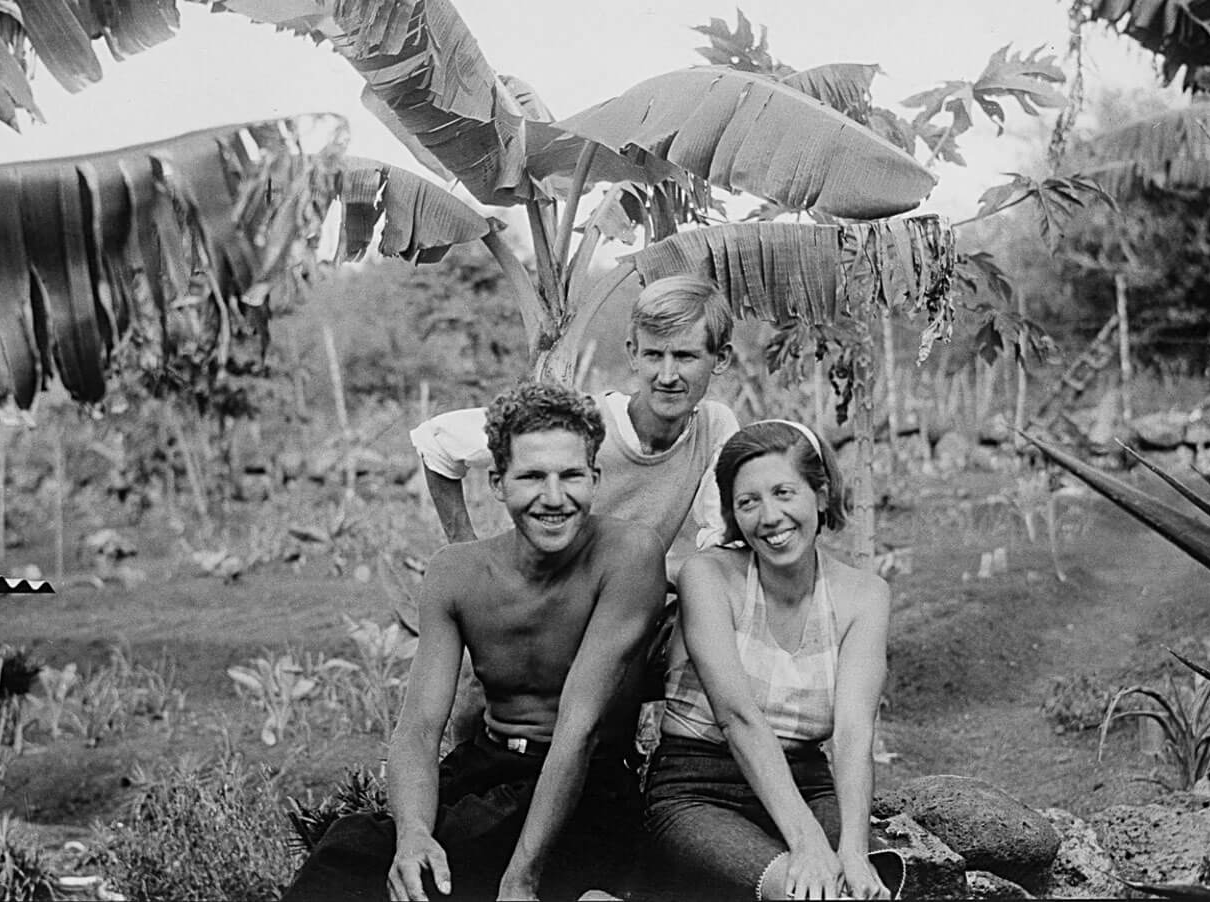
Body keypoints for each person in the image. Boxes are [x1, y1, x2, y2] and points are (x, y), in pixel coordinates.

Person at [283, 383, 666, 902]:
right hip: (485, 770)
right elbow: (418, 728)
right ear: (498, 483)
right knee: (349, 851)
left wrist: (520, 879)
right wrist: (413, 835)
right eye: (531, 476)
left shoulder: (627, 556)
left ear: (595, 479)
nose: (554, 498)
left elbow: (579, 727)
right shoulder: (456, 574)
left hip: (585, 788)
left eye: (571, 476)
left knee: (474, 864)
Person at [644, 420, 901, 901]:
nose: (770, 516)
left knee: (865, 887)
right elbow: (738, 718)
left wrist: (851, 848)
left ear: (821, 495)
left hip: (808, 783)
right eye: (748, 502)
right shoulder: (709, 578)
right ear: (732, 514)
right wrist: (807, 843)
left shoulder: (864, 596)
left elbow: (852, 733)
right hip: (699, 788)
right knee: (807, 891)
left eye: (784, 492)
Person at [411, 275, 738, 582]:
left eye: (685, 357)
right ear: (633, 355)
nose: (667, 376)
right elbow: (438, 442)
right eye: (654, 355)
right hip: (542, 598)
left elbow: (720, 537)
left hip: (623, 605)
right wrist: (465, 549)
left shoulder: (714, 426)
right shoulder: (578, 420)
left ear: (720, 359)